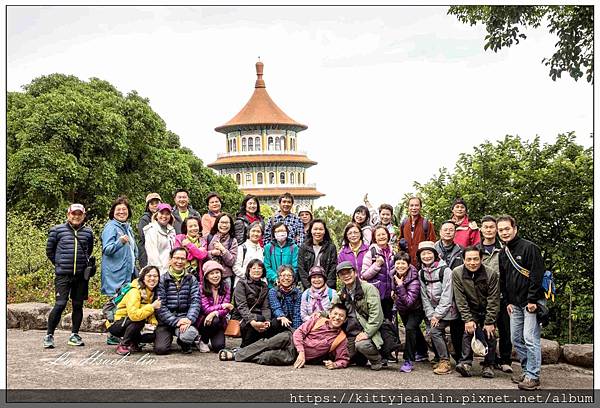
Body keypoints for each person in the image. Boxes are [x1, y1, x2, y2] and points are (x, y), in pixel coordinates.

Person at [498, 215, 545, 391]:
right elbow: (504, 278)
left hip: (530, 302)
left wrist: (533, 299)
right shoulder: (503, 252)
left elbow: (536, 274)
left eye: (507, 229)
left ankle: (533, 376)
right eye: (501, 230)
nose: (504, 232)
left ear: (515, 228)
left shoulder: (529, 247)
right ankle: (526, 370)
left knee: (530, 339)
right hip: (514, 303)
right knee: (515, 338)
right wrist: (508, 301)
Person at [44, 203, 94, 348]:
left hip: (80, 276)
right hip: (63, 275)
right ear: (68, 214)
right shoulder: (56, 230)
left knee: (78, 305)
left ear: (83, 216)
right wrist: (59, 264)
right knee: (60, 304)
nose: (76, 216)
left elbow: (88, 250)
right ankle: (49, 335)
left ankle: (74, 335)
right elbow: (50, 251)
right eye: (74, 213)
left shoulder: (88, 232)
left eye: (79, 214)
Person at [453, 246, 500, 379]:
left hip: (487, 308)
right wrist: (468, 319)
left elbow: (494, 299)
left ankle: (488, 365)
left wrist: (490, 321)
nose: (472, 263)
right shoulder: (457, 273)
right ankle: (466, 363)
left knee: (489, 333)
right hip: (471, 308)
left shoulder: (491, 274)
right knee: (468, 332)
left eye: (475, 259)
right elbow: (460, 299)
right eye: (468, 259)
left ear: (481, 259)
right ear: (463, 260)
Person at [477, 215, 513, 374]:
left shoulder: (505, 249)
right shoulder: (476, 250)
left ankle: (505, 360)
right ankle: (488, 361)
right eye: (486, 227)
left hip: (502, 295)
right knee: (487, 329)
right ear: (481, 229)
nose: (489, 230)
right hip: (483, 296)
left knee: (505, 329)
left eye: (492, 227)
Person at [417, 241, 458, 375]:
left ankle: (445, 361)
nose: (426, 256)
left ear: (435, 254)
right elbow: (424, 297)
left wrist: (437, 315)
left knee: (435, 330)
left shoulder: (445, 270)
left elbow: (448, 294)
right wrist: (430, 315)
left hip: (448, 309)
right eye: (423, 254)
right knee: (431, 331)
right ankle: (439, 357)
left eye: (429, 253)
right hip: (433, 311)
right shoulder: (421, 273)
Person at [337, 261, 384, 371]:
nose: (346, 276)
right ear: (339, 277)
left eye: (349, 272)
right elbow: (332, 310)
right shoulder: (341, 294)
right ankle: (360, 358)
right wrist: (319, 315)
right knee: (343, 354)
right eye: (342, 274)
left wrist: (367, 333)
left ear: (355, 272)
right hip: (351, 332)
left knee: (362, 345)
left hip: (369, 330)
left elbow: (376, 315)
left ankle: (377, 359)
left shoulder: (368, 288)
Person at [154, 247, 201, 355]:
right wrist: (176, 321)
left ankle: (184, 341)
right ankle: (165, 337)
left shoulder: (191, 279)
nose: (179, 262)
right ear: (170, 259)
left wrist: (189, 319)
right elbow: (160, 306)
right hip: (166, 321)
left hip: (184, 318)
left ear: (186, 261)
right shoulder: (162, 280)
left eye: (182, 259)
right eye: (176, 258)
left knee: (189, 334)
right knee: (161, 349)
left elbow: (196, 301)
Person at [106, 265, 161, 355]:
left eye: (155, 276)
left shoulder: (150, 292)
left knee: (156, 335)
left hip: (129, 323)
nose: (152, 278)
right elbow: (134, 315)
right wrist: (152, 307)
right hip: (116, 324)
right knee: (139, 321)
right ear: (143, 278)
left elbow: (149, 313)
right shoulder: (134, 292)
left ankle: (133, 342)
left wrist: (154, 324)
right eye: (149, 276)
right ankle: (123, 345)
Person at [392, 251, 428, 373]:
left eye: (403, 263)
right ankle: (423, 352)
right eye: (398, 263)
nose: (400, 266)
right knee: (415, 329)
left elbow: (409, 301)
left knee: (410, 329)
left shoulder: (414, 280)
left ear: (408, 265)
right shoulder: (394, 273)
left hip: (416, 309)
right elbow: (393, 287)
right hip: (403, 309)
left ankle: (408, 360)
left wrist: (400, 286)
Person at [230, 259, 273, 348]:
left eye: (259, 268)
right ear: (249, 270)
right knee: (257, 320)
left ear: (263, 270)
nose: (256, 270)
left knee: (268, 322)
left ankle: (253, 346)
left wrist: (268, 320)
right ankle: (245, 346)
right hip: (242, 316)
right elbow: (242, 306)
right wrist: (252, 321)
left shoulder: (264, 286)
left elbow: (265, 306)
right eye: (254, 268)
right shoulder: (241, 283)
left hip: (258, 315)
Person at [101, 196, 137, 296]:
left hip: (128, 274)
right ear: (113, 212)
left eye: (124, 209)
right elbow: (107, 250)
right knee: (115, 307)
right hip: (115, 276)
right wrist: (119, 242)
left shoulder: (127, 227)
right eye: (118, 209)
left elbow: (132, 249)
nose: (121, 212)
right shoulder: (111, 227)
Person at [196, 261, 233, 353]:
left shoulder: (225, 286)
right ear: (207, 276)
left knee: (219, 347)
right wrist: (222, 306)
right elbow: (205, 309)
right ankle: (203, 340)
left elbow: (227, 309)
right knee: (214, 320)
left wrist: (215, 313)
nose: (215, 276)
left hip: (219, 320)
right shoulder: (201, 288)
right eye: (212, 273)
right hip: (203, 321)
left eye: (217, 272)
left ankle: (212, 337)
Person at [360, 225, 395, 321]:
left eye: (383, 234)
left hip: (390, 295)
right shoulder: (371, 253)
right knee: (378, 321)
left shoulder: (393, 252)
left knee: (389, 321)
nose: (381, 237)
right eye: (378, 235)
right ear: (374, 238)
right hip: (377, 294)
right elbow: (364, 275)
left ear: (388, 235)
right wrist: (377, 265)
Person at [297, 219, 338, 290]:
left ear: (325, 231)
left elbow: (333, 268)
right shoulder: (304, 247)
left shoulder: (331, 247)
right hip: (309, 288)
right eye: (315, 229)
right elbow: (301, 268)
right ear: (311, 231)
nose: (318, 232)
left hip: (327, 288)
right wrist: (310, 287)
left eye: (321, 229)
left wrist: (326, 287)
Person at [398, 196, 437, 267]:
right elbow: (400, 240)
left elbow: (432, 243)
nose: (414, 208)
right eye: (411, 205)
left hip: (422, 263)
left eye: (416, 205)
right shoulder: (404, 223)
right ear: (408, 207)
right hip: (407, 263)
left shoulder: (427, 224)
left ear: (420, 207)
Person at [206, 213, 238, 290]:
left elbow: (232, 261)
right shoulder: (208, 237)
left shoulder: (233, 241)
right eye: (222, 222)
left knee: (226, 301)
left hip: (225, 277)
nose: (224, 225)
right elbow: (203, 255)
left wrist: (223, 250)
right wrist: (212, 253)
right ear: (217, 223)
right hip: (209, 276)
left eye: (226, 223)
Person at [263, 222, 299, 288]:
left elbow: (295, 266)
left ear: (287, 232)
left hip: (289, 284)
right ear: (274, 233)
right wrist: (275, 278)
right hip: (272, 285)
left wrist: (287, 278)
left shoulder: (294, 247)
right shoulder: (268, 247)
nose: (280, 233)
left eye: (282, 230)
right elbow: (266, 266)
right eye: (277, 231)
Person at [144, 203, 176, 275]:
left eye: (167, 214)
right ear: (157, 214)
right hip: (157, 272)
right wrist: (159, 273)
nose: (164, 216)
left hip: (171, 271)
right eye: (161, 213)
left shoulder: (172, 230)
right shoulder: (151, 229)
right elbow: (152, 254)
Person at [268, 265, 303, 331]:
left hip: (292, 321)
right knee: (276, 322)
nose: (286, 278)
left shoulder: (298, 292)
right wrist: (282, 316)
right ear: (278, 278)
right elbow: (276, 308)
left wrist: (296, 330)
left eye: (289, 276)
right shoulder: (273, 291)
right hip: (280, 321)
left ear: (293, 278)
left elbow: (297, 313)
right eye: (283, 275)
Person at [174, 216, 208, 281]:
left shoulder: (202, 240)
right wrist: (197, 251)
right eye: (190, 226)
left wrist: (189, 245)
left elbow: (202, 256)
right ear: (186, 228)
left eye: (195, 226)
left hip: (197, 275)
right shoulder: (179, 238)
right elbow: (180, 256)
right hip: (181, 273)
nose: (193, 228)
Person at [233, 221, 264, 288]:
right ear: (248, 232)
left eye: (258, 231)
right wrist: (250, 276)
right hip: (242, 285)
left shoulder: (262, 250)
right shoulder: (241, 248)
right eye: (253, 231)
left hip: (258, 286)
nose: (255, 234)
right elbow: (235, 267)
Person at [137, 192, 162, 268]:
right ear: (148, 206)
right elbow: (144, 237)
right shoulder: (144, 219)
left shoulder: (165, 217)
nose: (155, 205)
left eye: (157, 203)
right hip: (147, 253)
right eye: (152, 203)